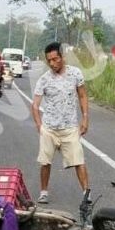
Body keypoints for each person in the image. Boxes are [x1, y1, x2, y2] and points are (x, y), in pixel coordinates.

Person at [31, 42, 90, 207]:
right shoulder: (44, 79)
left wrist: (85, 118)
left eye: (55, 59)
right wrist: (39, 125)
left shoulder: (75, 74)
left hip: (70, 127)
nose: (52, 63)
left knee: (78, 160)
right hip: (49, 128)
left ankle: (86, 193)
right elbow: (35, 105)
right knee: (45, 162)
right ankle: (43, 192)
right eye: (49, 60)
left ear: (62, 57)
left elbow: (83, 96)